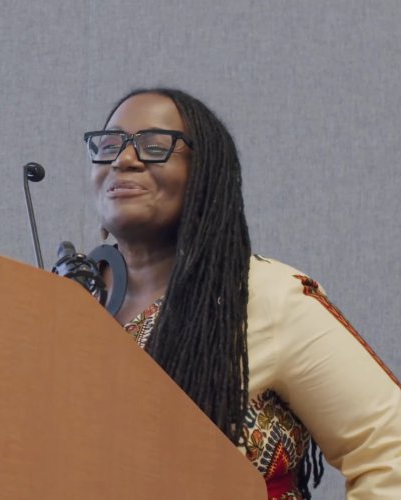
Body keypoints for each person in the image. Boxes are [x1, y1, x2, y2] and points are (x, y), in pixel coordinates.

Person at [84, 88, 401, 499]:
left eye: (154, 146)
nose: (124, 159)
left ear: (205, 175)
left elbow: (388, 448)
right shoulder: (66, 302)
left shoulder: (262, 296)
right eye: (109, 145)